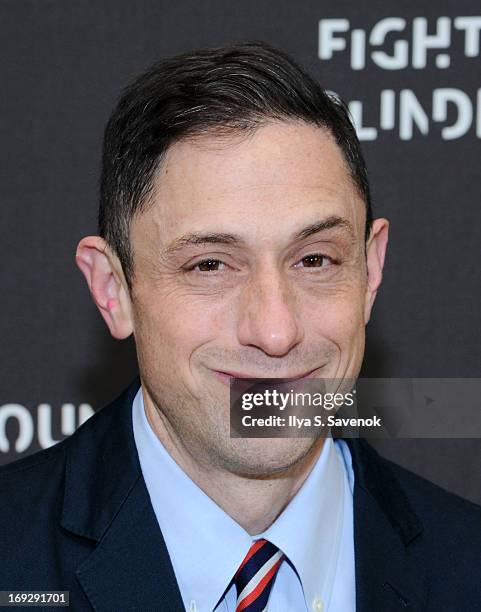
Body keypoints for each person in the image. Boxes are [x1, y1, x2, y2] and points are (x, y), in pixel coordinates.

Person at [1, 41, 480, 612]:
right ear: (113, 289)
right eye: (210, 265)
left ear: (371, 269)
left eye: (315, 259)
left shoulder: (467, 564)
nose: (276, 332)